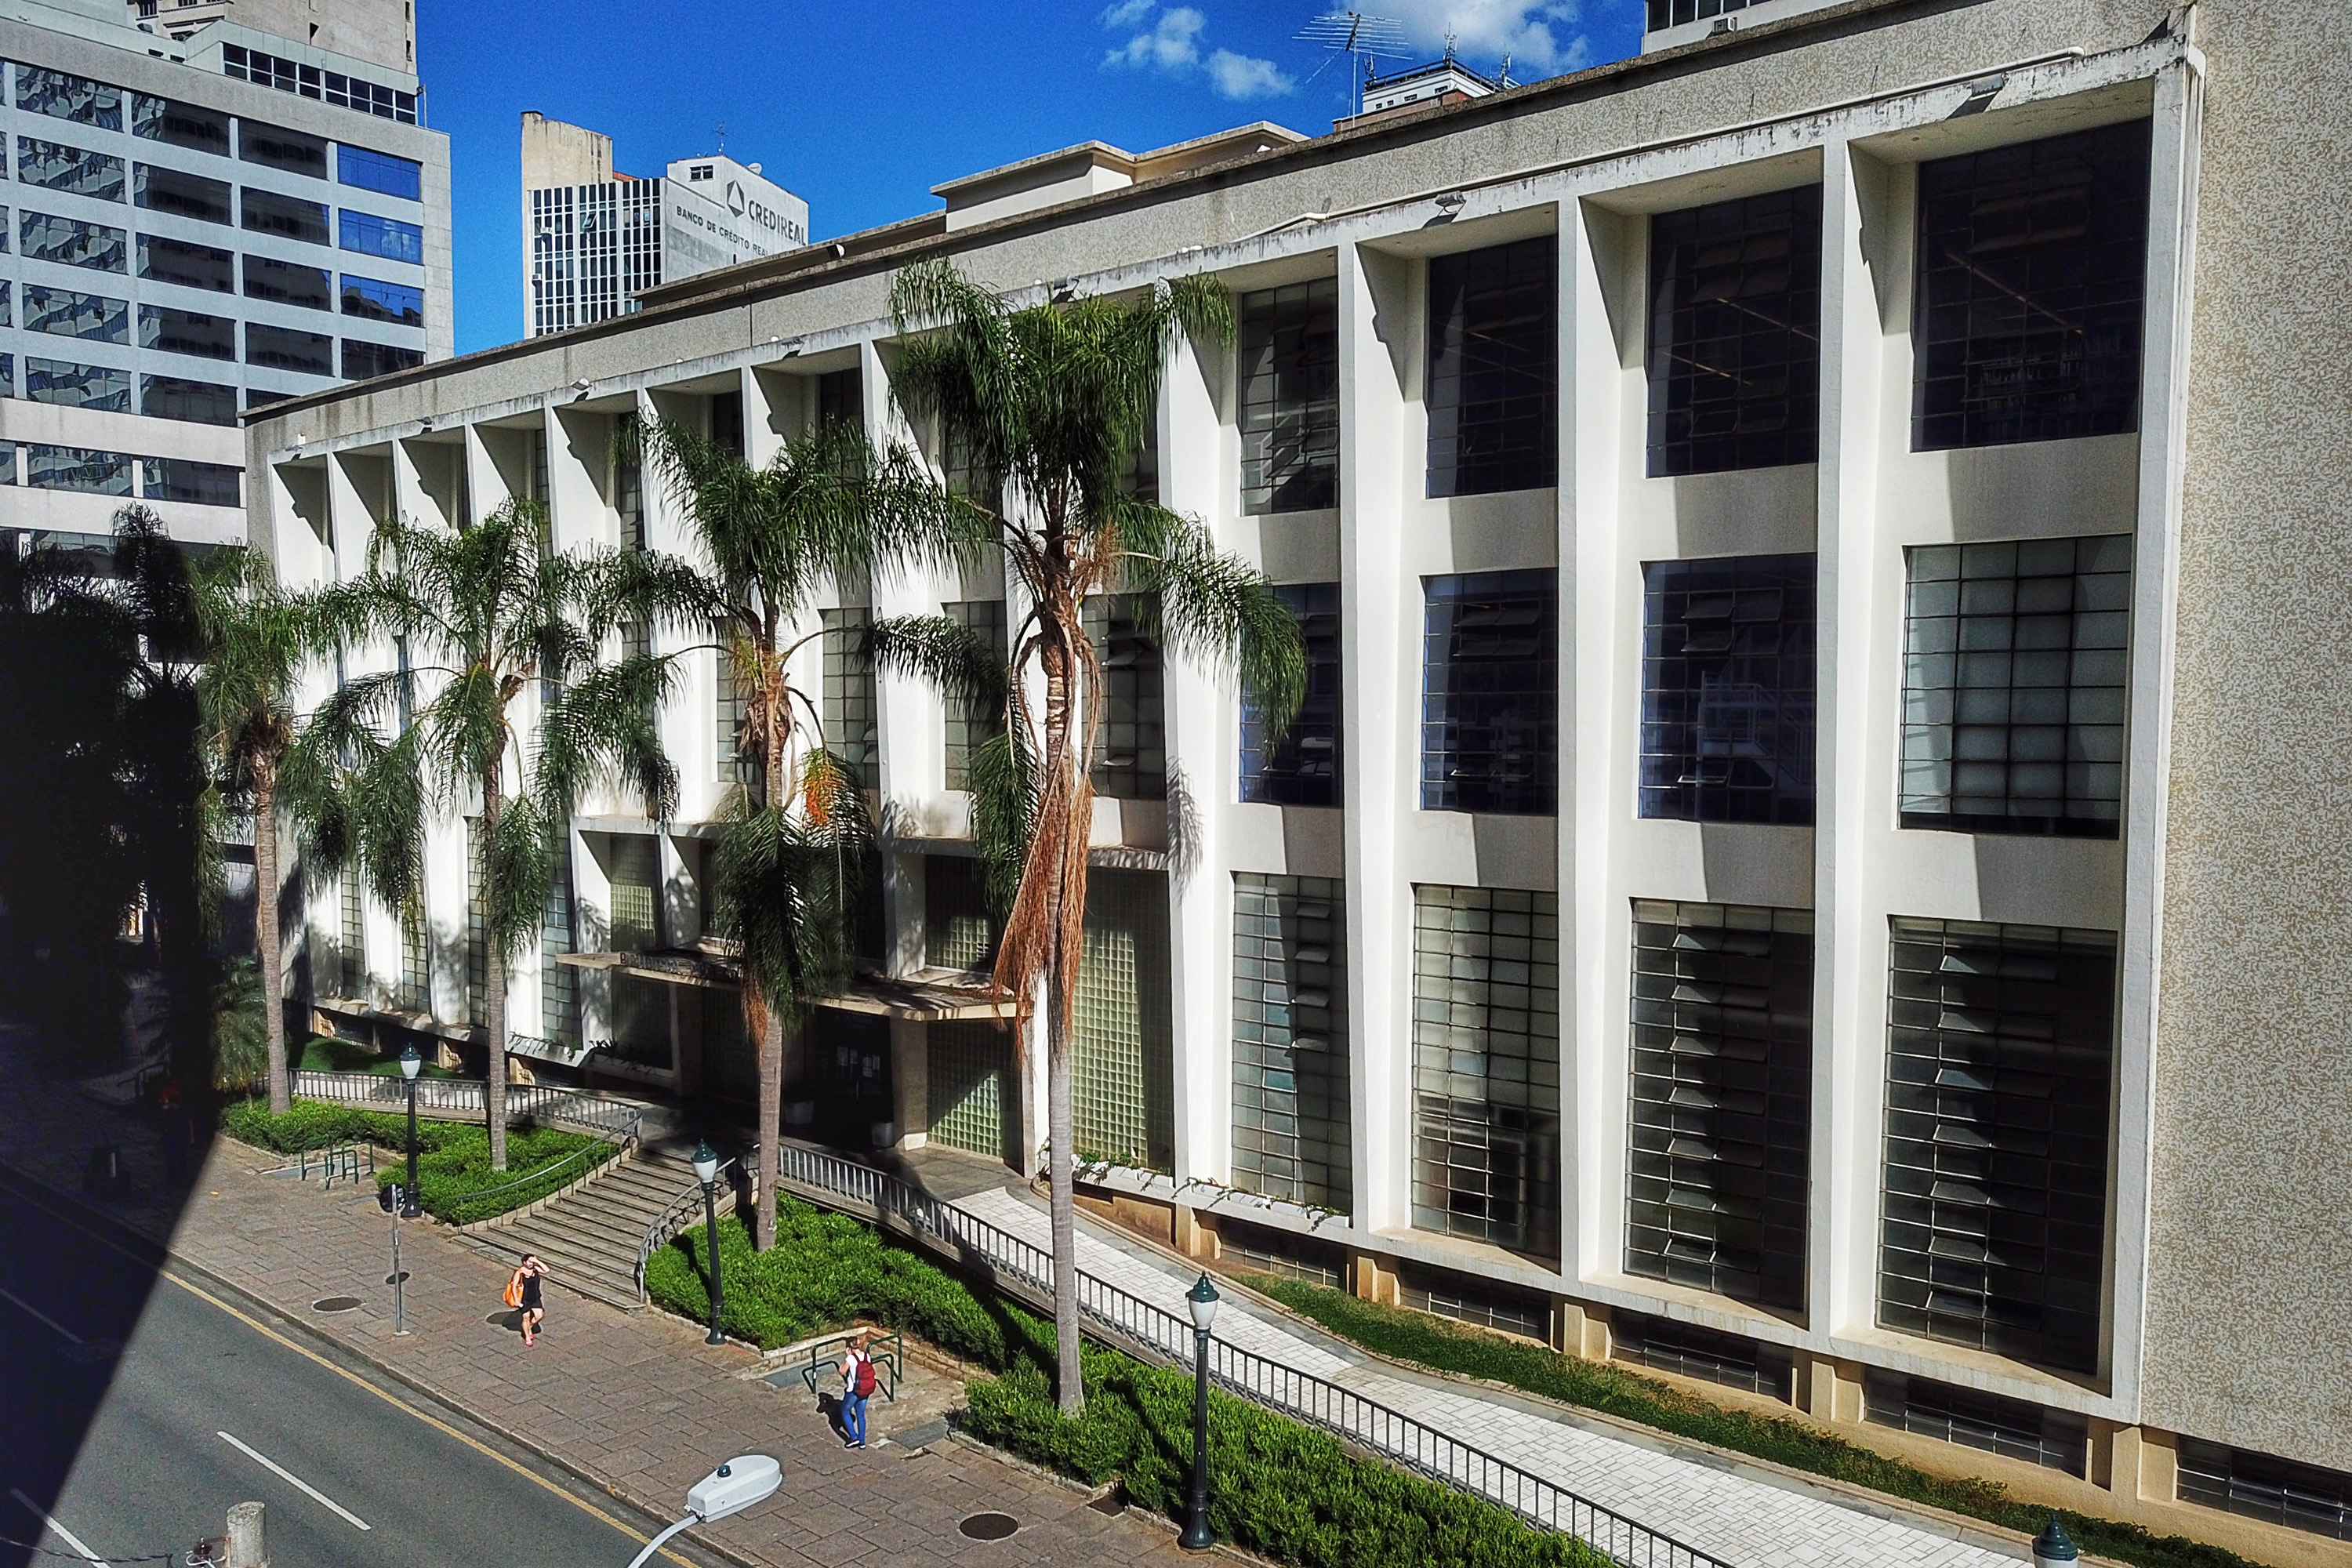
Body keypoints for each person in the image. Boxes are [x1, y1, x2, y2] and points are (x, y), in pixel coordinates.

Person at [839, 1330, 877, 1449]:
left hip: (853, 1390)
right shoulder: (867, 1356)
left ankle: (853, 1437)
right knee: (860, 1415)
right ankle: (862, 1441)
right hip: (866, 1389)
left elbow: (842, 1371)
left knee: (845, 1411)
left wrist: (847, 1357)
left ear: (849, 1347)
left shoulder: (851, 1359)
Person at [514, 1255, 546, 1347]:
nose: (531, 1263)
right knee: (526, 1318)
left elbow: (546, 1270)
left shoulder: (535, 1269)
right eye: (529, 1261)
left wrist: (537, 1261)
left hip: (535, 1297)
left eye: (532, 1262)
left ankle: (529, 1327)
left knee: (539, 1315)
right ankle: (527, 1336)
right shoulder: (519, 1272)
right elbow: (514, 1286)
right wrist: (516, 1299)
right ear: (524, 1262)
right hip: (524, 1299)